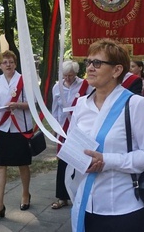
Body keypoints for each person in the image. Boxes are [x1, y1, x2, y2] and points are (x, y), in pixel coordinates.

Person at [69, 38, 144, 232]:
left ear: (117, 70)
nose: (90, 68)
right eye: (88, 62)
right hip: (85, 204)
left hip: (122, 208)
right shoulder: (80, 105)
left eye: (97, 63)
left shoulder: (134, 104)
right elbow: (74, 146)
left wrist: (107, 160)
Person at [0, 50, 32, 221]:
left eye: (11, 62)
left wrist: (17, 105)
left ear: (15, 64)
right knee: (0, 165)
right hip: (2, 127)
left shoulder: (23, 80)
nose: (8, 65)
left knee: (23, 164)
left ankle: (25, 194)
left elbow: (32, 104)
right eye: (4, 62)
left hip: (20, 127)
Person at [50, 60, 91, 210]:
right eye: (65, 75)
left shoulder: (85, 85)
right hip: (63, 129)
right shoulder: (57, 87)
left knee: (80, 161)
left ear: (76, 74)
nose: (68, 78)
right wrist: (55, 127)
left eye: (71, 75)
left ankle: (80, 193)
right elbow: (55, 109)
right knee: (63, 162)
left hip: (79, 129)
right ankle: (62, 196)